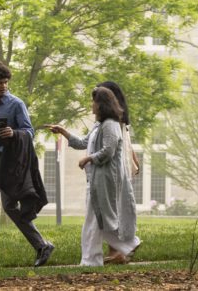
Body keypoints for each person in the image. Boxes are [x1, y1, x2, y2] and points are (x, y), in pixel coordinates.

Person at [0, 63, 55, 268]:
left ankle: (42, 245)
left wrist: (14, 133)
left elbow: (29, 131)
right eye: (0, 83)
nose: (4, 86)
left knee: (10, 207)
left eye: (6, 82)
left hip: (10, 162)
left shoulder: (16, 104)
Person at [44, 87, 140, 266]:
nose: (91, 105)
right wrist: (63, 131)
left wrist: (89, 158)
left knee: (96, 220)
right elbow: (83, 142)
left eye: (94, 102)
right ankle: (97, 257)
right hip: (95, 179)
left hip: (105, 180)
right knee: (95, 220)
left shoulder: (111, 124)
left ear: (101, 105)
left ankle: (104, 254)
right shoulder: (99, 125)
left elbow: (108, 151)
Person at [97, 80, 140, 263]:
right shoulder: (119, 115)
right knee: (117, 208)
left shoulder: (112, 118)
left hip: (115, 167)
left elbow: (119, 142)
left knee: (112, 208)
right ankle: (118, 250)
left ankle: (117, 251)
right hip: (121, 164)